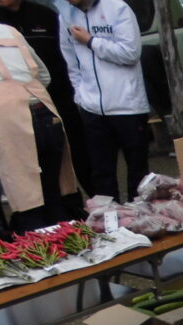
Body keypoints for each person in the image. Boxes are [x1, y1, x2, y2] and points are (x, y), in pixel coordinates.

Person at [0, 0, 76, 231]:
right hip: (45, 110)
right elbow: (44, 76)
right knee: (54, 193)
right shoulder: (6, 29)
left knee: (28, 200)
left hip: (9, 117)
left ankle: (44, 249)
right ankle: (69, 243)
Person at [0, 0, 92, 198]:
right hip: (20, 106)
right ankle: (62, 208)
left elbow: (68, 56)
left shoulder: (45, 15)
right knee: (41, 165)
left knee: (78, 154)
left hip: (60, 99)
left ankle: (95, 201)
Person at [57, 0, 149, 202]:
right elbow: (71, 63)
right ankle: (109, 219)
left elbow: (131, 53)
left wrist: (91, 41)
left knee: (138, 174)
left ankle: (141, 216)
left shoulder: (117, 8)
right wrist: (80, 95)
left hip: (128, 106)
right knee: (102, 175)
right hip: (92, 109)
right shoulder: (66, 17)